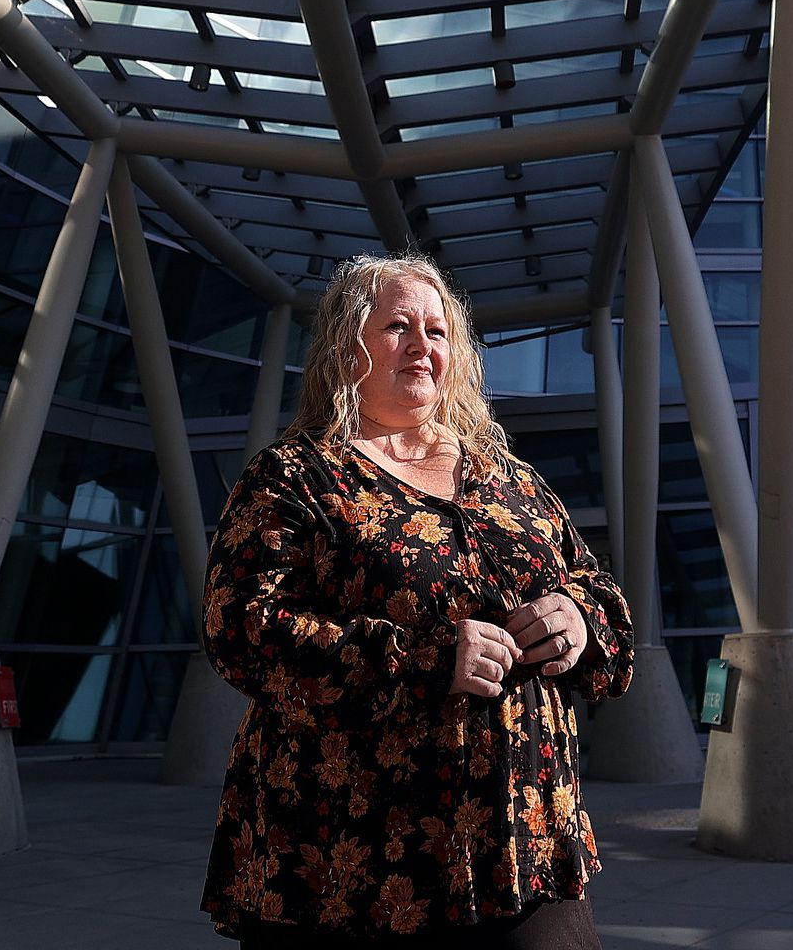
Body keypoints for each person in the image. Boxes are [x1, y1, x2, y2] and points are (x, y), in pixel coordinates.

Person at [200, 254, 635, 947]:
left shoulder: (509, 479)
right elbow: (243, 627)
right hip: (352, 859)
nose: (422, 345)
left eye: (436, 331)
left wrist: (580, 619)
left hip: (524, 845)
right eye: (398, 326)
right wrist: (422, 660)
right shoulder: (294, 477)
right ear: (348, 348)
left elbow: (597, 586)